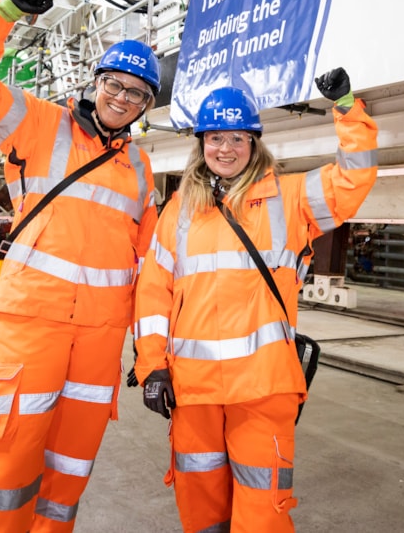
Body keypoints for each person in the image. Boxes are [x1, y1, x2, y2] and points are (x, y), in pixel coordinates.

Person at [0, 0, 161, 532]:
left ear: (145, 106)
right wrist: (5, 14)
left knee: (72, 462)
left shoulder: (139, 167)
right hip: (33, 319)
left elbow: (151, 261)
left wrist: (154, 351)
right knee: (14, 454)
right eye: (116, 84)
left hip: (101, 334)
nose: (123, 98)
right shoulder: (38, 122)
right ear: (97, 83)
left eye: (137, 94)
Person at [132, 70, 378, 532]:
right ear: (201, 143)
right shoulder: (179, 211)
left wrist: (345, 106)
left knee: (263, 508)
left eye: (238, 139)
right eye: (216, 138)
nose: (225, 149)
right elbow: (152, 293)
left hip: (263, 390)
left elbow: (355, 176)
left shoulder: (291, 198)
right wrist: (151, 366)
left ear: (255, 143)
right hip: (193, 389)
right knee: (199, 502)